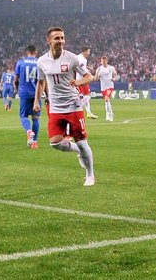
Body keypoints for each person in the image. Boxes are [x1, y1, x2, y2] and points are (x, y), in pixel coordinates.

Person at [33, 27, 96, 186]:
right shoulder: (41, 61)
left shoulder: (72, 58)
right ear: (49, 41)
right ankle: (78, 152)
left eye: (62, 38)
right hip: (55, 107)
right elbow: (41, 82)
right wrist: (36, 102)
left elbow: (89, 76)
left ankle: (90, 175)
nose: (61, 41)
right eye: (57, 38)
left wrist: (78, 82)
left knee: (82, 142)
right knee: (55, 143)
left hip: (73, 105)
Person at [13, 45, 39, 148]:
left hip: (24, 93)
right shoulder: (39, 63)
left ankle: (28, 131)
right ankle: (35, 143)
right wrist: (47, 96)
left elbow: (16, 79)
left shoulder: (20, 62)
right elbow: (43, 81)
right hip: (36, 94)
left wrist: (17, 89)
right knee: (35, 118)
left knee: (23, 116)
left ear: (27, 52)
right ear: (35, 52)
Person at [94, 55, 118, 122]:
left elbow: (115, 74)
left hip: (110, 86)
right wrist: (97, 74)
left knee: (107, 99)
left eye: (104, 61)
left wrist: (114, 78)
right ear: (101, 61)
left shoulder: (111, 68)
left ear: (107, 61)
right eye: (102, 61)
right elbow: (96, 79)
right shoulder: (99, 69)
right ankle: (111, 113)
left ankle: (108, 114)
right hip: (103, 88)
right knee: (106, 101)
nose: (103, 62)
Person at [77, 47, 98, 119]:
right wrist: (91, 76)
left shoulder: (80, 58)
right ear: (84, 51)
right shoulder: (81, 59)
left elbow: (81, 67)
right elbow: (82, 69)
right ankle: (77, 109)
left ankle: (89, 112)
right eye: (88, 51)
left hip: (80, 80)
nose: (89, 53)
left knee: (84, 96)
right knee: (88, 95)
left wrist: (88, 68)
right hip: (81, 80)